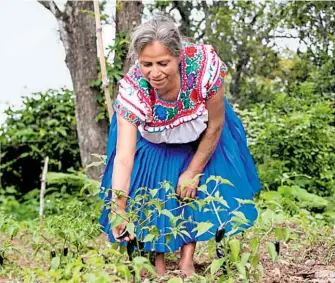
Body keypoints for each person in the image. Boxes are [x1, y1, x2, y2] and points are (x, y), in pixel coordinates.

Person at [98, 16, 261, 276]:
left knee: (192, 185)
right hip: (154, 137)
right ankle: (157, 259)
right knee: (153, 187)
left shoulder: (204, 70)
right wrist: (118, 209)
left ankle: (187, 261)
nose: (154, 72)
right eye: (146, 64)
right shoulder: (134, 90)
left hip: (203, 129)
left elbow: (215, 126)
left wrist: (193, 170)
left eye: (163, 63)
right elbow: (124, 158)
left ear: (179, 57)